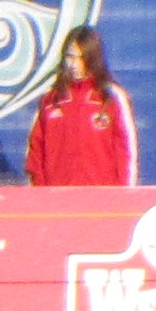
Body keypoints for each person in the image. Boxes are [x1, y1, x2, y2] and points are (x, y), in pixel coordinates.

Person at [23, 27, 140, 189]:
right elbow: (35, 152)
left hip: (101, 200)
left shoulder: (111, 97)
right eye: (70, 56)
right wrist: (41, 195)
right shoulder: (50, 99)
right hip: (57, 199)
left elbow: (125, 151)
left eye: (82, 57)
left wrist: (123, 196)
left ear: (93, 58)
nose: (75, 64)